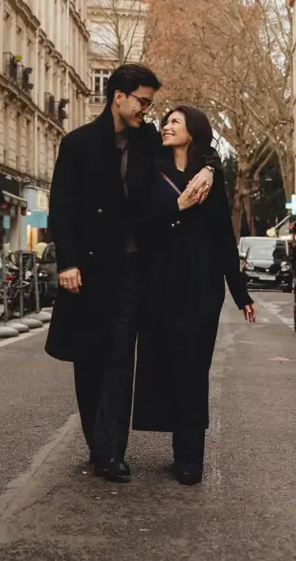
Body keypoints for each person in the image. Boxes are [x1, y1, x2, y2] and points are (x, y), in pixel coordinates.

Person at [45, 64, 214, 484]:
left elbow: (193, 143)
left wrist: (210, 166)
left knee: (121, 356)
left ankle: (111, 452)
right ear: (117, 96)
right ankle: (98, 442)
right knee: (89, 359)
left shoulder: (147, 141)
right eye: (142, 101)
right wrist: (66, 262)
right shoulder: (78, 143)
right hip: (86, 268)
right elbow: (61, 208)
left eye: (150, 103)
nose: (147, 110)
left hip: (132, 267)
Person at [132, 104, 256, 486]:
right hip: (159, 283)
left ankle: (190, 458)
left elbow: (222, 237)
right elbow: (140, 223)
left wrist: (240, 292)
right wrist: (177, 206)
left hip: (202, 285)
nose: (166, 126)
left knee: (193, 368)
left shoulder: (211, 177)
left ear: (194, 130)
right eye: (165, 121)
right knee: (166, 364)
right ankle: (176, 449)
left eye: (175, 122)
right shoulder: (152, 168)